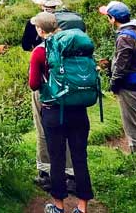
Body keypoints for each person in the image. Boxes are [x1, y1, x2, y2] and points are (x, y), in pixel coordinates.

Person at [29, 12, 94, 213]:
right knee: (80, 157)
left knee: (56, 158)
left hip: (54, 112)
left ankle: (58, 207)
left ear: (40, 30)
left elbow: (34, 85)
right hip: (79, 110)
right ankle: (82, 208)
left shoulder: (40, 51)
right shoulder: (75, 45)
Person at [23, 0, 84, 191]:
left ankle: (47, 173)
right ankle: (73, 175)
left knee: (43, 129)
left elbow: (25, 45)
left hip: (46, 87)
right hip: (72, 85)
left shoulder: (36, 24)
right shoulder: (70, 22)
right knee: (70, 130)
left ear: (40, 3)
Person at [99, 1, 136, 153]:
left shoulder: (124, 38)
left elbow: (121, 66)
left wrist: (114, 85)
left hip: (130, 87)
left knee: (132, 126)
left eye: (108, 17)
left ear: (113, 19)